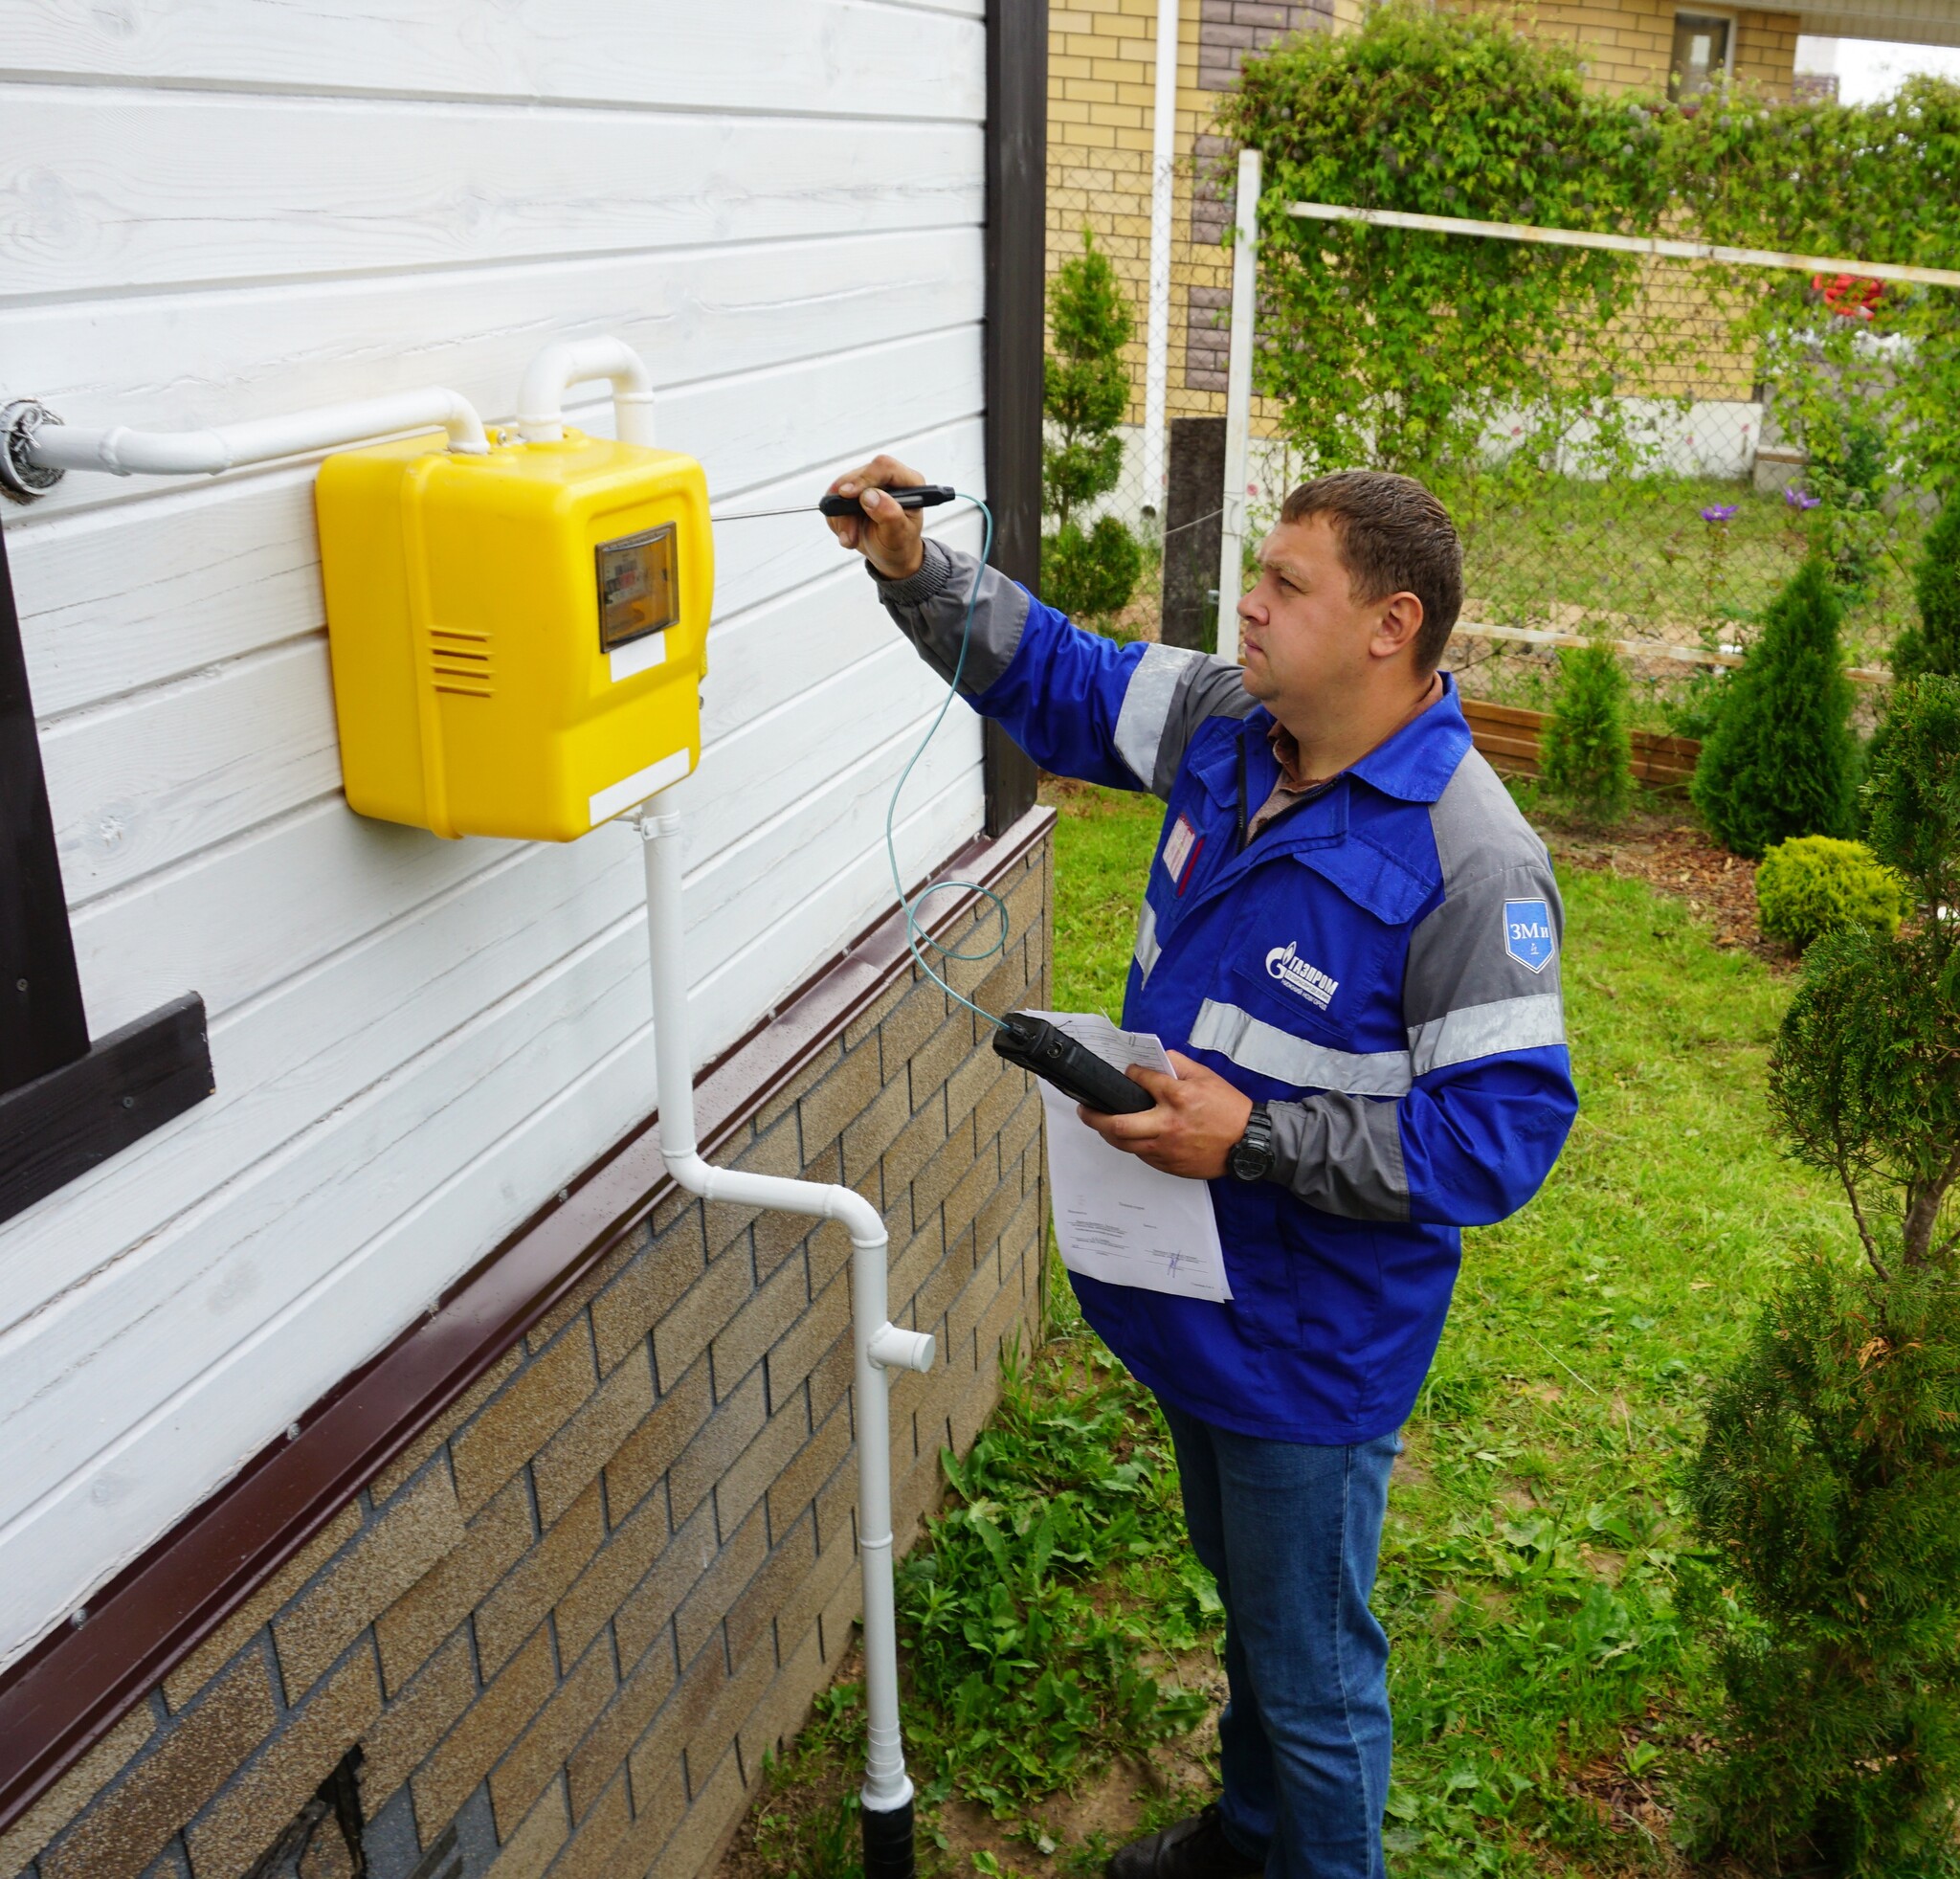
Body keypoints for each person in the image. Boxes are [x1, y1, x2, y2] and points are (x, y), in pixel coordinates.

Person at [828, 458, 1577, 1879]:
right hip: (1196, 1300)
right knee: (1251, 1614)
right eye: (1258, 571)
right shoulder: (1237, 723)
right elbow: (1061, 676)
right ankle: (1249, 1844)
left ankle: (1307, 1849)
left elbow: (1498, 1138)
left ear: (1389, 627)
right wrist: (916, 571)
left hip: (1313, 1345)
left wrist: (1257, 1137)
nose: (1247, 604)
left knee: (1310, 1680)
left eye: (1288, 586)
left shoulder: (1475, 861)